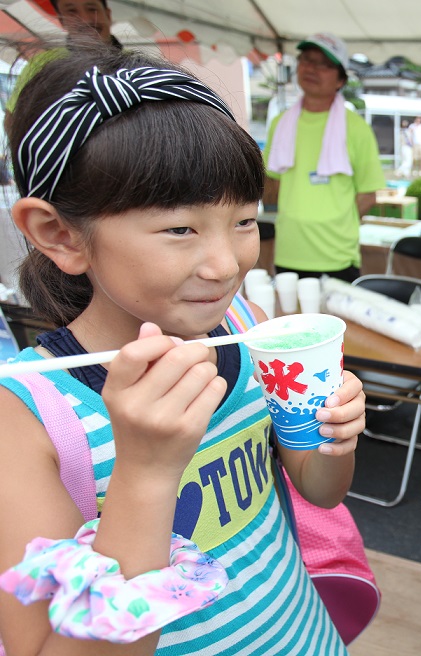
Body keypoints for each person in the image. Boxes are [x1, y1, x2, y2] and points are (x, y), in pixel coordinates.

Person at [0, 47, 365, 655]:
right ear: (59, 234)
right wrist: (145, 471)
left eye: (245, 221)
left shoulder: (246, 328)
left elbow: (320, 490)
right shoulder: (27, 417)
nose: (227, 266)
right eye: (180, 229)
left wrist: (334, 436)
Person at [264, 33, 385, 284]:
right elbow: (271, 183)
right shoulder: (280, 123)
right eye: (307, 60)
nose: (312, 68)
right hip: (289, 249)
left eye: (325, 64)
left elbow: (367, 195)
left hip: (337, 255)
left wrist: (334, 221)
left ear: (340, 79)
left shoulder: (356, 128)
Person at [4, 0, 121, 130]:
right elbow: (13, 119)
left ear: (108, 14)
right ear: (62, 20)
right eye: (71, 11)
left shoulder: (138, 63)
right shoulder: (41, 64)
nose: (85, 19)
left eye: (92, 9)